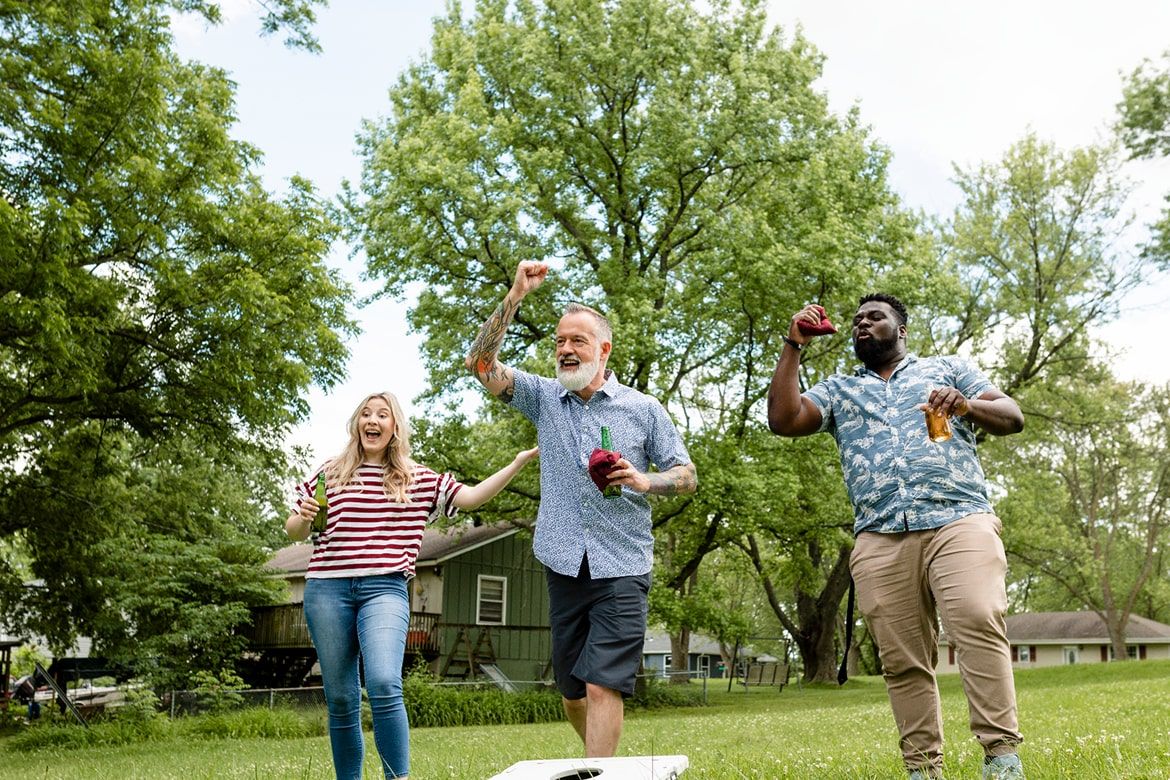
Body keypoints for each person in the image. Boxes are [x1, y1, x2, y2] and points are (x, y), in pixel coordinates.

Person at [766, 294, 1027, 780]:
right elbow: (784, 420)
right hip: (881, 535)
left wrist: (966, 405)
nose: (862, 324)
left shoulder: (947, 369)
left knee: (977, 616)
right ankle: (922, 769)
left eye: (875, 317)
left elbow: (1012, 416)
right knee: (902, 658)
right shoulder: (840, 389)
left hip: (958, 518)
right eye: (857, 320)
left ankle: (1002, 758)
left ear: (901, 330)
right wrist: (793, 344)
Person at [466, 261, 697, 758]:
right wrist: (514, 296)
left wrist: (646, 480)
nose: (566, 349)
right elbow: (481, 365)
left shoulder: (643, 408)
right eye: (559, 341)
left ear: (604, 349)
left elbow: (687, 475)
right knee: (573, 693)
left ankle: (599, 773)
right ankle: (602, 760)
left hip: (623, 564)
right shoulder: (544, 398)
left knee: (601, 684)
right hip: (564, 561)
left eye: (577, 341)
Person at [285, 391, 538, 780]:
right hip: (327, 590)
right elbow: (295, 530)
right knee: (341, 698)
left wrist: (516, 464)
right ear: (356, 424)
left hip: (384, 590)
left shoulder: (416, 478)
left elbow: (470, 499)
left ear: (394, 427)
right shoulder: (330, 472)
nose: (372, 420)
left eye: (381, 414)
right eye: (365, 413)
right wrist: (304, 516)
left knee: (384, 682)